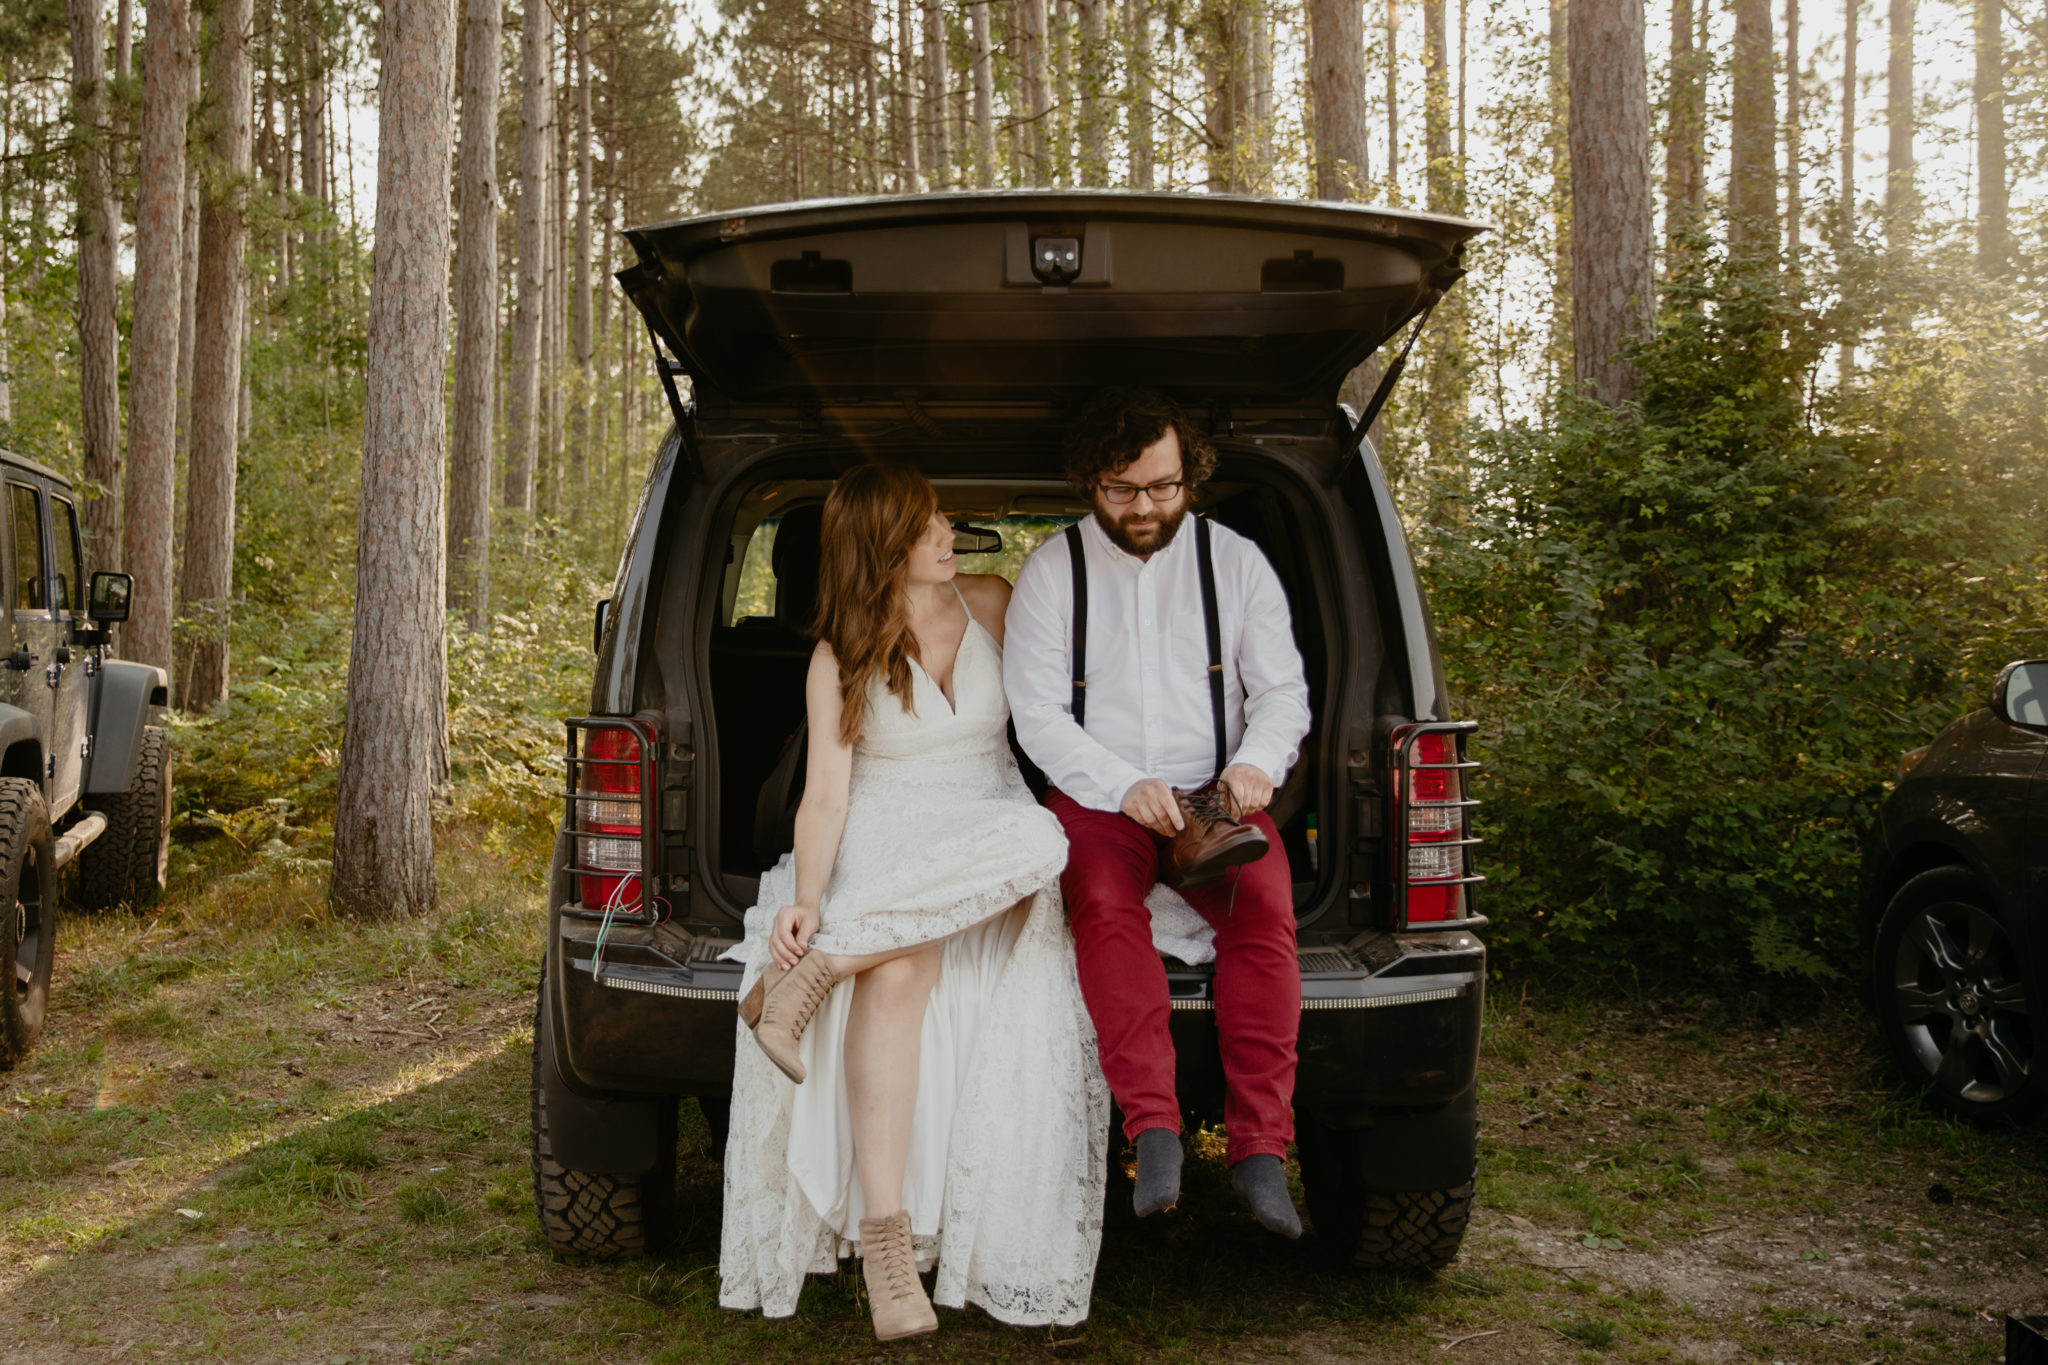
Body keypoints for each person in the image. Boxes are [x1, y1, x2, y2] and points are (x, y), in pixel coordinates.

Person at [718, 462, 1109, 1341]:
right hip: (887, 829)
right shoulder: (838, 653)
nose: (950, 534)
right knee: (901, 976)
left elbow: (1070, 704)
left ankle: (824, 970)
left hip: (990, 816)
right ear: (884, 545)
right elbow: (826, 795)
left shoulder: (995, 601)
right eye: (930, 524)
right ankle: (888, 1245)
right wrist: (810, 897)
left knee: (1045, 840)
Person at [1004, 388, 1314, 1239]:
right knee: (1103, 905)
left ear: (1190, 477)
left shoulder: (1238, 562)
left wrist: (1255, 764)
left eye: (1163, 487)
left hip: (1217, 793)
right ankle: (1156, 1128)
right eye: (1123, 489)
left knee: (1267, 913)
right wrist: (1118, 783)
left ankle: (1260, 1150)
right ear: (1090, 484)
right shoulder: (1050, 571)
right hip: (1101, 795)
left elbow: (1283, 691)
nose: (1145, 507)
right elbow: (1036, 713)